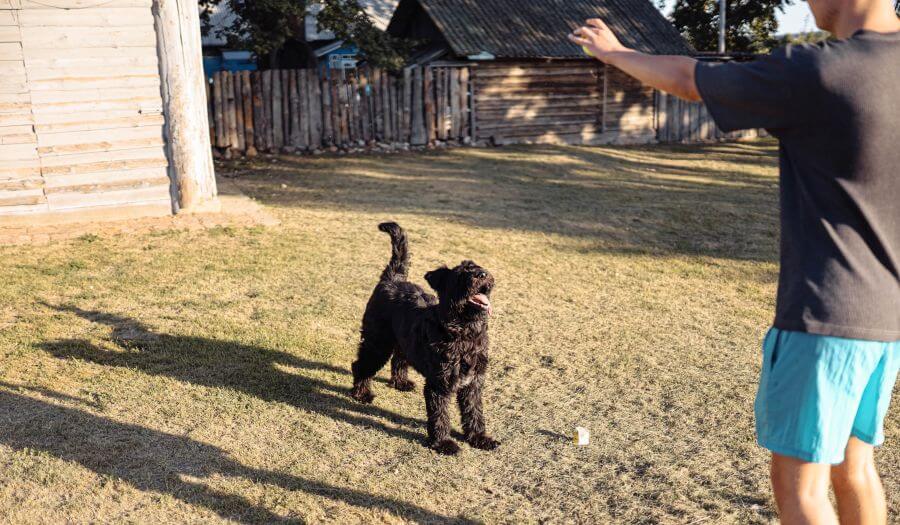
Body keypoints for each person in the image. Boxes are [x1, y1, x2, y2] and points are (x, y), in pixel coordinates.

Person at [569, 1, 900, 524]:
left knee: (802, 490)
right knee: (856, 468)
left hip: (824, 314)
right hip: (887, 322)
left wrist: (615, 52)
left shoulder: (820, 70)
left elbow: (687, 77)